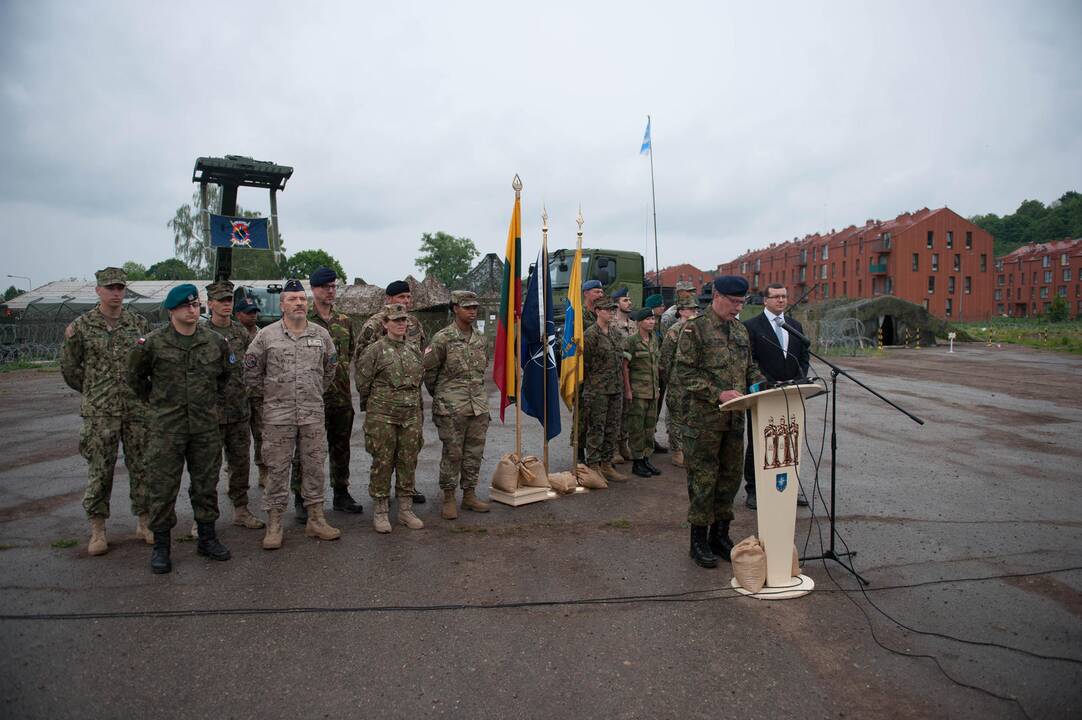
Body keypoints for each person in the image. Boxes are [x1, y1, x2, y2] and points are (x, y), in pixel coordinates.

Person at [128, 284, 233, 574]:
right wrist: (159, 403)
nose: (192, 310)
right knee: (162, 488)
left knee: (205, 485)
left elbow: (224, 378)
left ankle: (207, 538)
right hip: (166, 429)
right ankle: (162, 545)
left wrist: (207, 404)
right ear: (172, 310)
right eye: (186, 306)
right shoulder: (152, 343)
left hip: (204, 427)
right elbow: (135, 378)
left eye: (196, 305)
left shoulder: (215, 342)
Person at [674, 276, 764, 569]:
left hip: (735, 420)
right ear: (716, 296)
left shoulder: (740, 330)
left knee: (729, 479)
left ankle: (720, 535)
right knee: (703, 481)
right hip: (704, 422)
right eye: (734, 302)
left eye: (742, 302)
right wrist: (717, 393)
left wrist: (762, 385)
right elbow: (685, 374)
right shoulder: (694, 329)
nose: (738, 308)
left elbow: (749, 367)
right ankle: (698, 540)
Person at [244, 279, 341, 550]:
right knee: (277, 469)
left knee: (313, 468)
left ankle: (316, 519)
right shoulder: (266, 336)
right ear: (282, 304)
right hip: (277, 415)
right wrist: (274, 396)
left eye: (302, 298)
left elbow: (329, 371)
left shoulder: (321, 335)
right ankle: (275, 523)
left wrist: (312, 393)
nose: (299, 303)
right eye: (292, 299)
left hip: (311, 413)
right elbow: (251, 374)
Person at [60, 266, 151, 556]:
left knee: (143, 466)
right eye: (110, 287)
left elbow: (148, 364)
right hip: (100, 412)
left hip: (136, 409)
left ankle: (145, 521)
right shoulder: (81, 327)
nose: (115, 293)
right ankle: (98, 529)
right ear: (98, 290)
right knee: (100, 470)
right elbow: (71, 369)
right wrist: (95, 391)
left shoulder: (138, 324)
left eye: (120, 288)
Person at [289, 267, 364, 521]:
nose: (331, 291)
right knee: (307, 451)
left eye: (333, 286)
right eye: (325, 287)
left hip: (341, 398)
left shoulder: (344, 321)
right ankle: (301, 498)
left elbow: (348, 355)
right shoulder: (304, 321)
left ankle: (341, 493)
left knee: (341, 447)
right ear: (314, 289)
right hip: (311, 400)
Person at [356, 279, 428, 505]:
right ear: (388, 299)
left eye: (408, 297)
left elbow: (419, 357)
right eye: (400, 298)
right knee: (384, 451)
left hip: (411, 399)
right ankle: (381, 495)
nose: (405, 302)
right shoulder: (373, 325)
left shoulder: (414, 323)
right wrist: (371, 401)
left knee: (410, 447)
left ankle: (407, 488)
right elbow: (362, 364)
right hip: (384, 401)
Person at [423, 290, 491, 520]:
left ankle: (470, 495)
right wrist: (444, 397)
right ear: (455, 308)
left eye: (475, 307)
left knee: (474, 453)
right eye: (467, 307)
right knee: (453, 453)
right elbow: (430, 372)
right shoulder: (442, 338)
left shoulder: (481, 339)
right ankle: (449, 497)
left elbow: (482, 371)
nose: (472, 311)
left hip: (477, 406)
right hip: (451, 408)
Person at [742, 283, 811, 510]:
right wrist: (768, 382)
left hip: (791, 393)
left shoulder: (794, 325)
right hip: (765, 394)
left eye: (784, 296)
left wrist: (798, 380)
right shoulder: (751, 327)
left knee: (788, 441)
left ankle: (788, 487)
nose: (781, 300)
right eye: (776, 297)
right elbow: (750, 361)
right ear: (765, 300)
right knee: (759, 443)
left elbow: (803, 357)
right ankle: (753, 489)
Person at [203, 281, 265, 532]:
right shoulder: (201, 333)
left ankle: (241, 510)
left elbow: (254, 367)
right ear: (210, 304)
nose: (226, 304)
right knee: (207, 468)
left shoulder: (242, 333)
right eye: (221, 300)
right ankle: (204, 519)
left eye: (229, 299)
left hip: (239, 410)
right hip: (210, 414)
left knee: (240, 465)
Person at [581, 295, 626, 482]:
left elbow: (620, 360)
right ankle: (593, 465)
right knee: (596, 429)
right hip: (597, 389)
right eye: (607, 310)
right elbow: (586, 363)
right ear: (598, 311)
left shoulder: (616, 333)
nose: (611, 313)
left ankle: (606, 465)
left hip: (615, 388)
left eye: (612, 310)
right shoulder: (590, 335)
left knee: (612, 428)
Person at [660, 296, 700, 469]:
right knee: (676, 416)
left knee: (691, 416)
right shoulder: (674, 330)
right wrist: (670, 379)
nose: (695, 312)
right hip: (677, 381)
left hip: (694, 380)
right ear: (682, 311)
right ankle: (677, 451)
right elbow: (665, 357)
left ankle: (688, 449)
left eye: (696, 309)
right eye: (691, 309)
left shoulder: (698, 329)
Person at [623, 308, 661, 478]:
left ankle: (646, 458)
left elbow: (655, 366)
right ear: (639, 323)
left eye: (653, 319)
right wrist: (628, 390)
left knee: (649, 428)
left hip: (652, 392)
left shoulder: (654, 339)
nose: (652, 322)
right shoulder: (631, 341)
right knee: (637, 428)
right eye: (648, 319)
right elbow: (624, 367)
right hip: (638, 393)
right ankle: (637, 462)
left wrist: (658, 388)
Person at [234, 298, 266, 488]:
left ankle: (263, 471)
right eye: (248, 312)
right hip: (236, 396)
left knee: (262, 434)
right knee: (238, 438)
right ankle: (234, 474)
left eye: (254, 311)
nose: (253, 315)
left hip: (259, 394)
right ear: (238, 315)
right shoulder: (231, 335)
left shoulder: (263, 335)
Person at [609, 287, 636, 464]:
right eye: (625, 300)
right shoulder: (611, 324)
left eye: (629, 300)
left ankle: (624, 443)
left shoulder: (634, 324)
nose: (629, 302)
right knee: (616, 413)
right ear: (617, 303)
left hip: (634, 373)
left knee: (628, 411)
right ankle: (614, 449)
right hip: (616, 373)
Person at [644, 293, 669, 454]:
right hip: (648, 372)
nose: (663, 307)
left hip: (660, 372)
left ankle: (651, 438)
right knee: (646, 410)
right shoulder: (648, 324)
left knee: (656, 408)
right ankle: (644, 442)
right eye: (660, 305)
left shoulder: (661, 323)